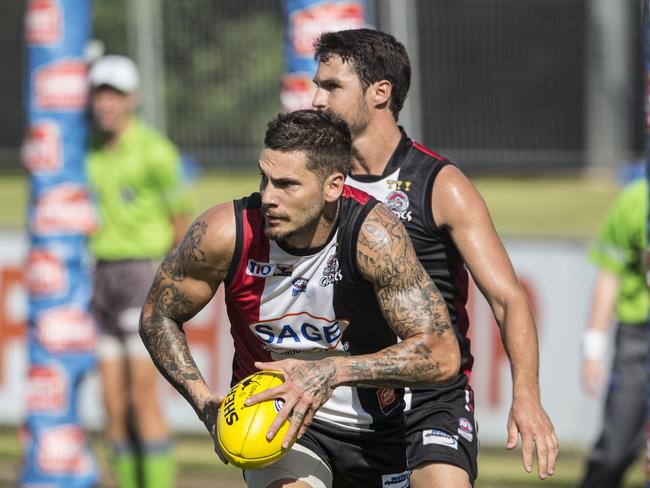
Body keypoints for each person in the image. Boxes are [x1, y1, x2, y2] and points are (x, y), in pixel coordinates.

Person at [139, 109, 462, 487]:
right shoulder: (223, 232)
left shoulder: (374, 237)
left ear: (333, 186)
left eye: (287, 185)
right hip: (275, 423)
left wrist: (331, 372)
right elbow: (156, 316)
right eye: (265, 178)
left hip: (375, 431)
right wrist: (203, 402)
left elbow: (441, 353)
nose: (268, 197)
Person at [311, 28, 558, 487]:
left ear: (380, 92)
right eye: (317, 85)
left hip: (430, 396)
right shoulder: (316, 182)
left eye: (331, 86)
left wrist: (527, 396)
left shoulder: (441, 184)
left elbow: (508, 299)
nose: (316, 100)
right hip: (343, 397)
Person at [87, 54, 192, 488]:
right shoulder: (88, 152)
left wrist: (167, 289)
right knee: (112, 405)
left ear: (133, 98)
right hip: (100, 279)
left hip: (139, 277)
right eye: (99, 93)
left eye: (114, 93)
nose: (105, 103)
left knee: (142, 400)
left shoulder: (155, 151)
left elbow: (181, 223)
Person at [577, 178, 648, 488]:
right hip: (637, 339)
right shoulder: (635, 200)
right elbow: (610, 276)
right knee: (614, 453)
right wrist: (593, 350)